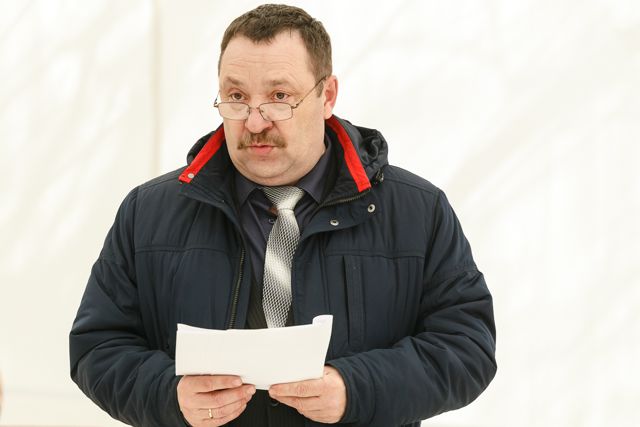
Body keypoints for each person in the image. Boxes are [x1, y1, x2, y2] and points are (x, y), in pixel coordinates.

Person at [69, 4, 496, 427]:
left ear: (327, 96)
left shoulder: (417, 211)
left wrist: (356, 389)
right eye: (237, 97)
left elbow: (467, 348)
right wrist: (170, 395)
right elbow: (97, 347)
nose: (255, 122)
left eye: (279, 97)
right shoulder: (148, 212)